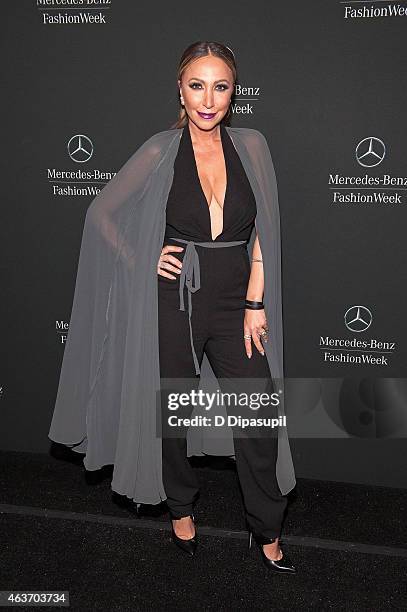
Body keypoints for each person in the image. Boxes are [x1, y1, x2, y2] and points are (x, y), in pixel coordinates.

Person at [48, 40, 296, 574]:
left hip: (236, 304)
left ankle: (267, 526)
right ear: (180, 90)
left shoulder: (252, 146)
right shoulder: (161, 150)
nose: (209, 99)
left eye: (221, 86)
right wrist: (143, 258)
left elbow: (262, 235)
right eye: (197, 85)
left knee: (258, 414)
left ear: (234, 92)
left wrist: (256, 303)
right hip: (175, 301)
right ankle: (181, 510)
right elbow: (102, 213)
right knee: (173, 414)